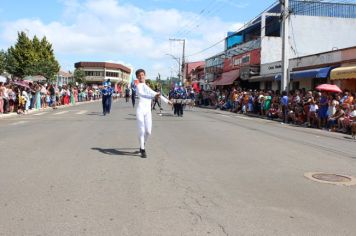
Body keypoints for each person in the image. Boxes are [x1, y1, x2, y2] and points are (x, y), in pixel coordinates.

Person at [135, 69, 172, 158]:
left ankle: (142, 143)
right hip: (140, 110)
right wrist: (153, 96)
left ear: (145, 75)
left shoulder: (147, 86)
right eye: (139, 75)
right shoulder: (138, 86)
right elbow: (142, 95)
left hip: (148, 111)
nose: (141, 76)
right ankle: (143, 150)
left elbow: (157, 94)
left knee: (148, 132)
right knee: (142, 130)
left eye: (142, 75)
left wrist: (167, 101)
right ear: (137, 77)